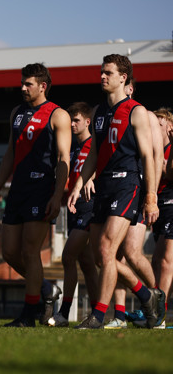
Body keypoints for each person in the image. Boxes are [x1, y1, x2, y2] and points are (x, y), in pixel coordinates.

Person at [67, 54, 164, 329]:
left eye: (108, 72)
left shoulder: (136, 111)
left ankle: (98, 315)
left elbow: (148, 157)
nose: (102, 77)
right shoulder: (98, 113)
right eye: (101, 72)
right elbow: (95, 154)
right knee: (101, 257)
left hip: (127, 185)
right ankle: (147, 295)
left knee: (108, 249)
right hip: (103, 187)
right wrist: (78, 185)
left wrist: (151, 197)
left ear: (123, 78)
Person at [0, 63, 71, 327]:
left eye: (28, 84)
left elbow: (63, 158)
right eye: (22, 83)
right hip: (17, 190)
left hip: (41, 189)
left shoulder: (58, 115)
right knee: (10, 253)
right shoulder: (17, 113)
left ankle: (29, 313)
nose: (23, 88)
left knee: (30, 251)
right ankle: (46, 289)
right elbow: (11, 152)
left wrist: (57, 195)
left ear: (42, 86)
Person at [106, 78, 161, 329]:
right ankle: (119, 315)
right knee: (113, 254)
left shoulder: (143, 114)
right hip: (119, 186)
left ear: (129, 87)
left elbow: (155, 157)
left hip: (136, 189)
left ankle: (157, 303)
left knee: (131, 253)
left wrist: (152, 196)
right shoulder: (111, 113)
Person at [48, 102, 99, 327]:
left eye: (76, 120)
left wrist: (90, 178)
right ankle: (99, 315)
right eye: (71, 120)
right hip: (73, 205)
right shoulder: (71, 147)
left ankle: (63, 313)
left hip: (89, 206)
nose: (72, 124)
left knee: (68, 256)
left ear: (88, 122)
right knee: (86, 263)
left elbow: (101, 162)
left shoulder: (93, 145)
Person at [145, 107, 173, 328]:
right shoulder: (154, 148)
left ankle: (159, 314)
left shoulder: (170, 147)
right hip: (160, 203)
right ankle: (155, 310)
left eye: (159, 122)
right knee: (155, 260)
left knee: (165, 261)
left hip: (171, 202)